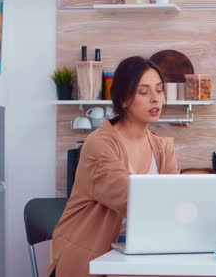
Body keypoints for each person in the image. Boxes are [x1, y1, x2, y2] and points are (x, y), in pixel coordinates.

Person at [47, 56, 179, 277]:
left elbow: (178, 198)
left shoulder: (162, 147)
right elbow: (131, 197)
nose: (155, 99)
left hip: (134, 258)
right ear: (124, 99)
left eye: (159, 90)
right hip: (90, 260)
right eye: (144, 92)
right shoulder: (99, 143)